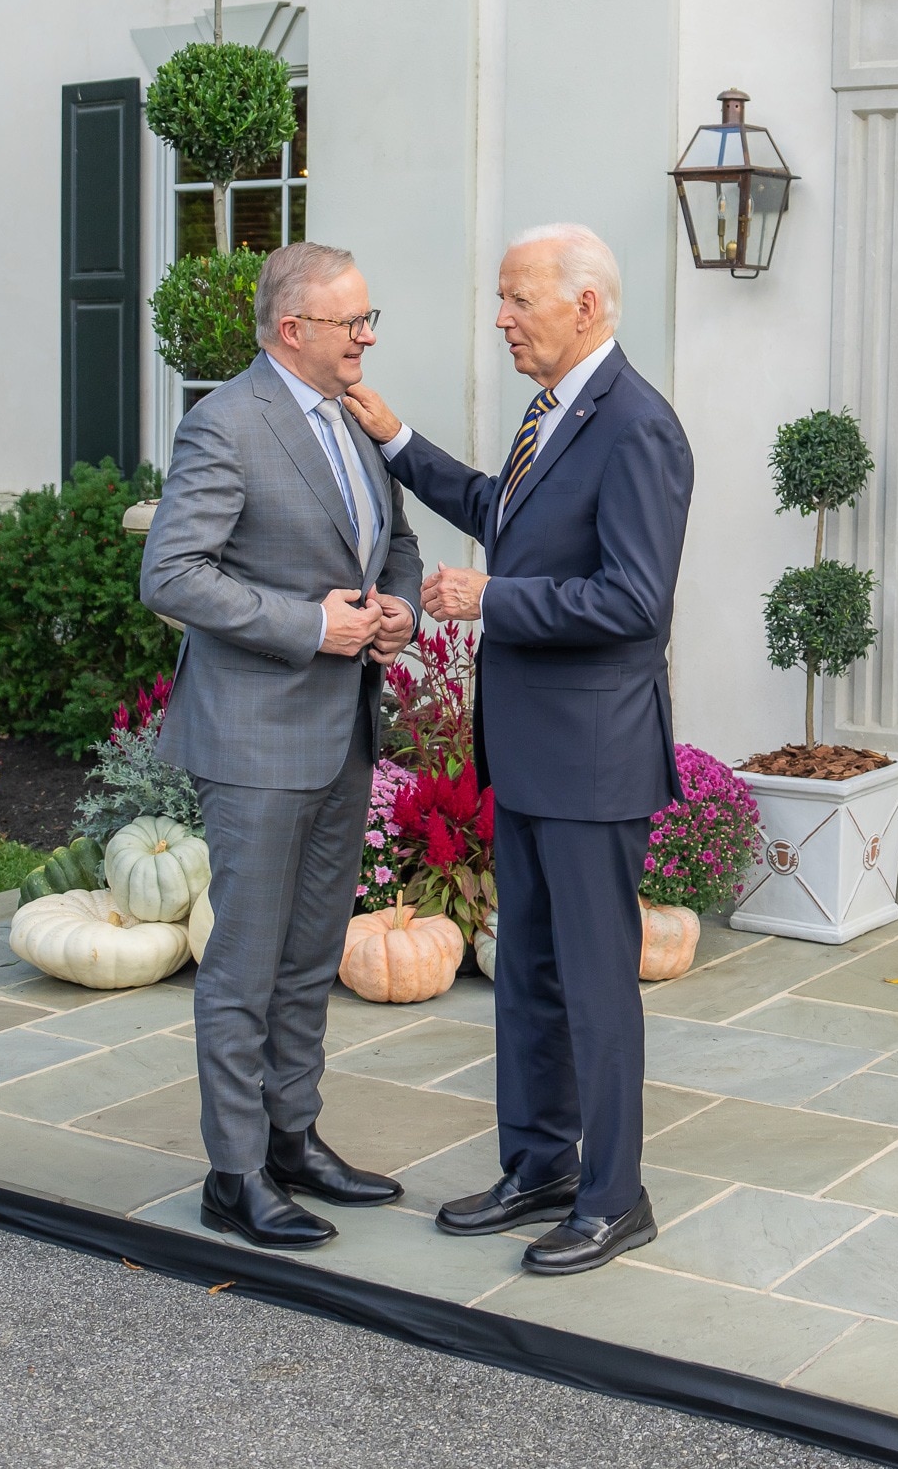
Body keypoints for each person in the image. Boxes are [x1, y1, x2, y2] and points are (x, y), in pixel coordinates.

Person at [343, 223, 692, 1278]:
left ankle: (614, 1195)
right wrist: (400, 439)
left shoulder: (639, 428)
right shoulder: (554, 413)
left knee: (594, 983)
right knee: (530, 976)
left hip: (592, 762)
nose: (500, 318)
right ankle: (539, 1163)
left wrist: (494, 596)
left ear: (585, 305)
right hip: (533, 754)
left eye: (516, 299)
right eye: (501, 298)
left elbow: (636, 600)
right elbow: (505, 511)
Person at [140, 240, 421, 1251]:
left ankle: (295, 1138)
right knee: (246, 964)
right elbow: (172, 574)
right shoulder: (225, 423)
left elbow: (394, 537)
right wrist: (313, 624)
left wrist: (395, 607)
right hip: (255, 737)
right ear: (292, 329)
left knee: (310, 957)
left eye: (368, 316)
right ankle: (235, 1171)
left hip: (340, 728)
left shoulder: (354, 415)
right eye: (354, 321)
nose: (369, 335)